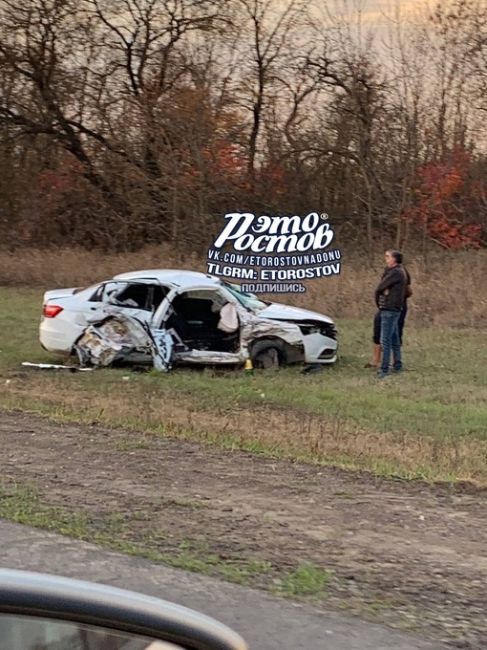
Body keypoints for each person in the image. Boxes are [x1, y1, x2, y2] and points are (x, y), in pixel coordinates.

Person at [365, 262, 411, 369]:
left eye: (388, 257)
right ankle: (376, 361)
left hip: (397, 306)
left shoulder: (401, 271)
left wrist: (396, 295)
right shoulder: (387, 270)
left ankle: (394, 363)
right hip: (385, 306)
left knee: (395, 334)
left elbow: (408, 291)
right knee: (378, 329)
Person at [374, 249, 408, 378]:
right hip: (395, 308)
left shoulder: (396, 272)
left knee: (385, 340)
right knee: (394, 337)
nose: (386, 259)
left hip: (389, 308)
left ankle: (384, 369)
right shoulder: (399, 271)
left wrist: (380, 299)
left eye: (388, 257)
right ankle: (397, 364)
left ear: (394, 259)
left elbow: (380, 287)